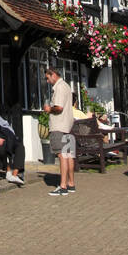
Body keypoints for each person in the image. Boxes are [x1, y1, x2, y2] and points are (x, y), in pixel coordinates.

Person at [44, 67, 75, 197]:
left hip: (59, 125)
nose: (47, 81)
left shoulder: (59, 87)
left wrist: (49, 109)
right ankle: (71, 184)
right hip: (68, 125)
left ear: (53, 75)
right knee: (68, 155)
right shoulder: (67, 86)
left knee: (62, 155)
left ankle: (63, 186)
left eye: (47, 77)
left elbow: (59, 108)